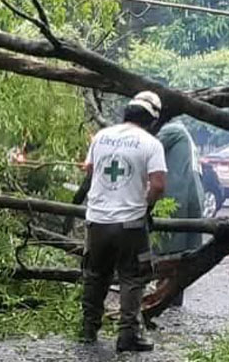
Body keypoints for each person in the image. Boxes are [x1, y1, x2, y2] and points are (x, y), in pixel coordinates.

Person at [80, 91, 167, 352]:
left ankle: (87, 329)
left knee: (95, 274)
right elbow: (159, 185)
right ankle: (128, 335)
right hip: (130, 222)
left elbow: (90, 169)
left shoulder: (102, 136)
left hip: (96, 220)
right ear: (152, 120)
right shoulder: (150, 144)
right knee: (132, 277)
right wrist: (146, 203)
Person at [153, 121, 205, 307]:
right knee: (181, 251)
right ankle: (170, 298)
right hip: (189, 195)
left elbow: (147, 148)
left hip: (178, 197)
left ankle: (164, 299)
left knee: (170, 250)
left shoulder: (171, 130)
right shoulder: (183, 132)